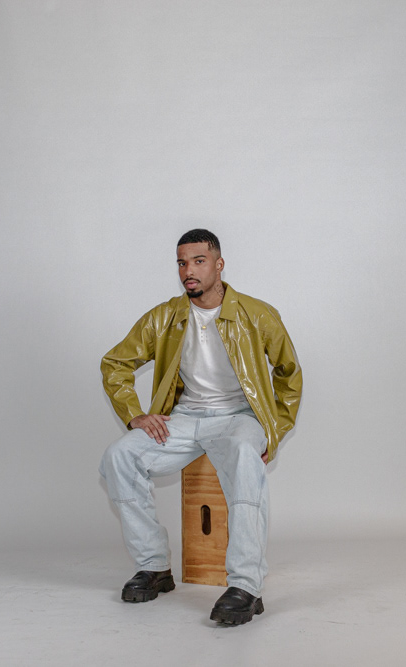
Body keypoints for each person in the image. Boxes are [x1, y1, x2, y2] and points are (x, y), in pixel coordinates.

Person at [99, 228, 302, 625]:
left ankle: (246, 586)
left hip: (239, 417)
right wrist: (135, 415)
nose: (188, 271)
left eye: (198, 261)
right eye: (181, 263)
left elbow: (289, 373)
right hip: (185, 418)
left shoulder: (257, 314)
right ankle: (154, 566)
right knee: (119, 457)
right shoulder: (164, 317)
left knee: (245, 457)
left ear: (219, 264)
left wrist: (273, 430)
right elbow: (115, 363)